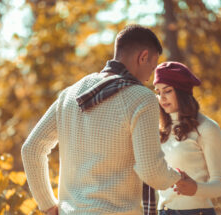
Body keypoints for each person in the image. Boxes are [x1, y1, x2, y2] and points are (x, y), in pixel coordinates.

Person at [21, 25, 196, 215]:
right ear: (143, 57)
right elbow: (151, 172)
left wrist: (48, 205)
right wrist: (177, 177)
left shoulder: (70, 94)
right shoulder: (141, 98)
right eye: (152, 67)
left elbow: (31, 149)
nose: (149, 78)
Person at [153, 62, 221, 215]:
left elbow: (220, 184)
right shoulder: (160, 128)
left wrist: (195, 188)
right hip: (163, 211)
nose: (162, 98)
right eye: (158, 92)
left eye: (167, 91)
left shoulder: (207, 128)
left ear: (182, 91)